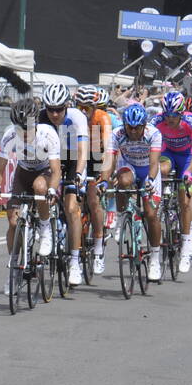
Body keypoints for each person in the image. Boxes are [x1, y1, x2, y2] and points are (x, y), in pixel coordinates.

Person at [0, 98, 62, 295]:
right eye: (20, 129)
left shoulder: (48, 134)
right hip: (23, 172)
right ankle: (15, 267)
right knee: (14, 221)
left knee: (40, 187)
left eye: (28, 128)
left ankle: (44, 228)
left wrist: (52, 190)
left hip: (44, 172)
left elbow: (56, 170)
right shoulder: (9, 136)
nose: (24, 134)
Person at [105, 102, 165, 280]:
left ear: (143, 126)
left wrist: (151, 181)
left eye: (136, 128)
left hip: (148, 170)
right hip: (129, 166)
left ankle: (154, 257)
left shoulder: (153, 133)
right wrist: (104, 180)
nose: (132, 131)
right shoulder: (117, 134)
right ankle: (123, 215)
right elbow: (109, 161)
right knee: (122, 181)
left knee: (151, 214)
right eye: (129, 127)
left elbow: (155, 163)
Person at [38, 84, 89, 286]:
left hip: (73, 159)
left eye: (59, 109)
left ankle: (75, 262)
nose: (55, 114)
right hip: (51, 159)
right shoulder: (39, 117)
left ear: (67, 105)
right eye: (50, 109)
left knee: (71, 208)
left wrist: (78, 173)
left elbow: (83, 151)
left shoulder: (77, 117)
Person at [151, 90, 192, 269]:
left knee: (185, 197)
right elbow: (149, 147)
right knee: (161, 169)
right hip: (168, 153)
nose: (170, 119)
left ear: (181, 113)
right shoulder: (157, 121)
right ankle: (165, 196)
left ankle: (187, 243)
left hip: (187, 157)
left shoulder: (191, 121)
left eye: (174, 115)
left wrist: (189, 172)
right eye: (167, 115)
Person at [73, 85, 114, 275]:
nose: (83, 112)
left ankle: (98, 246)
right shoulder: (72, 117)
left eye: (87, 108)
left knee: (93, 199)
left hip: (97, 156)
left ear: (95, 107)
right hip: (77, 154)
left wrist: (103, 178)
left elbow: (107, 151)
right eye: (79, 107)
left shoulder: (102, 118)